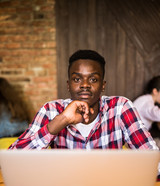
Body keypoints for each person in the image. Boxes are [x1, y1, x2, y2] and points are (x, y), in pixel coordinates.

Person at [9, 49, 158, 150]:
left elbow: (153, 160)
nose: (85, 85)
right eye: (77, 79)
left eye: (93, 79)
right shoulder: (50, 110)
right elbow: (13, 158)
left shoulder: (121, 108)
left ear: (103, 85)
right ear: (68, 85)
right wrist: (62, 120)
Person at [133, 76, 160, 148]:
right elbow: (157, 114)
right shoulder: (147, 102)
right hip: (132, 140)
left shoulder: (145, 100)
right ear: (155, 91)